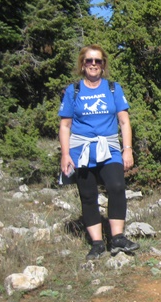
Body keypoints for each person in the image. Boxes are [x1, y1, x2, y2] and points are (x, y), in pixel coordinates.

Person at [59, 45, 140, 261]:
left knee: (116, 186)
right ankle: (96, 243)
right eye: (89, 61)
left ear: (103, 65)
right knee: (87, 195)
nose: (93, 64)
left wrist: (128, 149)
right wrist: (65, 154)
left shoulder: (113, 88)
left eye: (97, 61)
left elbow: (124, 121)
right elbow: (65, 125)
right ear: (82, 64)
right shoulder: (73, 90)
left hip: (110, 148)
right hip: (81, 150)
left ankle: (118, 238)